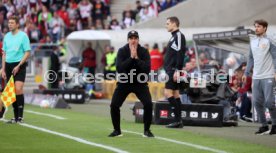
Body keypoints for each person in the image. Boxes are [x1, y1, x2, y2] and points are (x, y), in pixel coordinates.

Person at [108, 30, 154, 137]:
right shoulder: (122, 51)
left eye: (135, 38)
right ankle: (117, 130)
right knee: (114, 105)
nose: (133, 40)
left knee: (148, 104)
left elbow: (147, 69)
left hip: (140, 82)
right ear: (128, 40)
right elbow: (119, 68)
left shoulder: (143, 51)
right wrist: (131, 58)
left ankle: (147, 130)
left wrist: (137, 58)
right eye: (131, 38)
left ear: (138, 40)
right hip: (124, 82)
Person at [243, 19, 276, 135]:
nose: (256, 28)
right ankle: (264, 126)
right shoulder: (252, 41)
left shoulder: (270, 40)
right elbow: (250, 58)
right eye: (255, 26)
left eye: (259, 27)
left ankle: (275, 125)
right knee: (256, 102)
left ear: (265, 28)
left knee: (269, 102)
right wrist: (246, 73)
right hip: (256, 77)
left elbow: (275, 57)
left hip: (268, 75)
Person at [1, 16, 31, 123]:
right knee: (12, 91)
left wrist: (19, 65)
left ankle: (21, 117)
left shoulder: (23, 36)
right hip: (8, 66)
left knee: (18, 88)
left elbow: (27, 52)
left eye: (12, 23)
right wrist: (3, 69)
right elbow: (4, 53)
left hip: (19, 65)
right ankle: (15, 117)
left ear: (17, 24)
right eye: (9, 23)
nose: (10, 24)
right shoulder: (6, 36)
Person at [164, 16, 186, 128]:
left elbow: (180, 53)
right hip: (171, 69)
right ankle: (179, 121)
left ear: (174, 24)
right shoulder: (174, 37)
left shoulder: (178, 36)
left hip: (173, 70)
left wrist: (178, 70)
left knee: (168, 93)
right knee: (176, 94)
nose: (166, 25)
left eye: (168, 23)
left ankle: (178, 120)